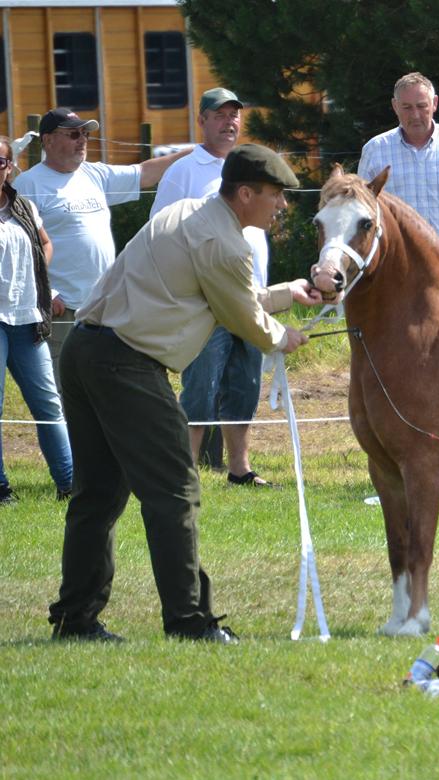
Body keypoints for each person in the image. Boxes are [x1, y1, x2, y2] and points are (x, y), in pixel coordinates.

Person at [47, 145, 323, 643]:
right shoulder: (225, 244)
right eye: (275, 195)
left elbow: (228, 293)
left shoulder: (189, 213)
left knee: (99, 495)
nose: (281, 206)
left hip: (86, 352)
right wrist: (283, 337)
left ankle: (75, 619)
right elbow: (241, 314)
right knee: (175, 490)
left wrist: (288, 293)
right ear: (245, 194)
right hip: (126, 365)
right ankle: (190, 622)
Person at [150, 88, 275, 488]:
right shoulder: (183, 171)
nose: (229, 122)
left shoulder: (251, 166)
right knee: (200, 388)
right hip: (204, 303)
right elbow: (160, 233)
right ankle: (185, 471)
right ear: (201, 120)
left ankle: (239, 468)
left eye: (234, 115)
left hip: (253, 298)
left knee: (246, 385)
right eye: (219, 115)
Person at [14, 108, 191, 381]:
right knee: (65, 389)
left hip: (105, 306)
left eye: (85, 134)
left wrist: (195, 153)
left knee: (103, 386)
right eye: (73, 134)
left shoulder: (94, 174)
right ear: (48, 141)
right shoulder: (28, 184)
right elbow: (18, 250)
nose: (82, 140)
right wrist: (48, 293)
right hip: (63, 310)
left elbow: (144, 173)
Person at [358, 73, 439, 286]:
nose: (416, 115)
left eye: (422, 106)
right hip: (396, 265)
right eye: (407, 107)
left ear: (435, 103)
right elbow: (360, 213)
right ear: (394, 106)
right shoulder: (375, 150)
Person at [0, 135, 72, 504]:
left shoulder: (23, 206)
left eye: (0, 162)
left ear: (9, 168)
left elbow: (45, 242)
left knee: (48, 405)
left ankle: (70, 485)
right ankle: (1, 489)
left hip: (27, 317)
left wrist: (39, 269)